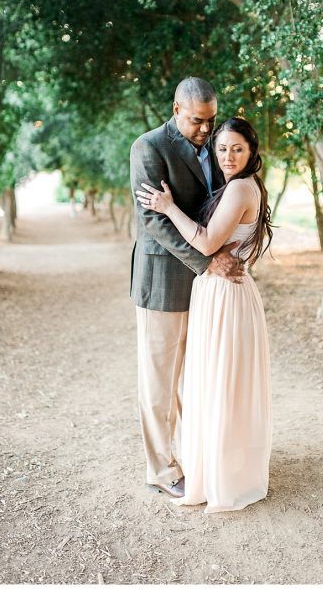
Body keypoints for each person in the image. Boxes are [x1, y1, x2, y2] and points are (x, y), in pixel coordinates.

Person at [136, 117, 273, 513]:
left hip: (224, 295)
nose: (228, 156)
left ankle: (221, 475)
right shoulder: (240, 185)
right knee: (220, 386)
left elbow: (208, 240)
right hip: (221, 293)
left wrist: (167, 206)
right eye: (223, 148)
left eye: (238, 149)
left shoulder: (241, 188)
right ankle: (221, 468)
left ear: (252, 153)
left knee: (219, 385)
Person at [129, 78, 245, 500]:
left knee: (194, 378)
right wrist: (209, 260)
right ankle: (160, 469)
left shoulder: (216, 145)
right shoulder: (148, 147)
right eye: (198, 121)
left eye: (211, 120)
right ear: (176, 109)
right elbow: (153, 222)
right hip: (163, 280)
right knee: (159, 381)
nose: (205, 130)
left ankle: (195, 456)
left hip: (207, 288)